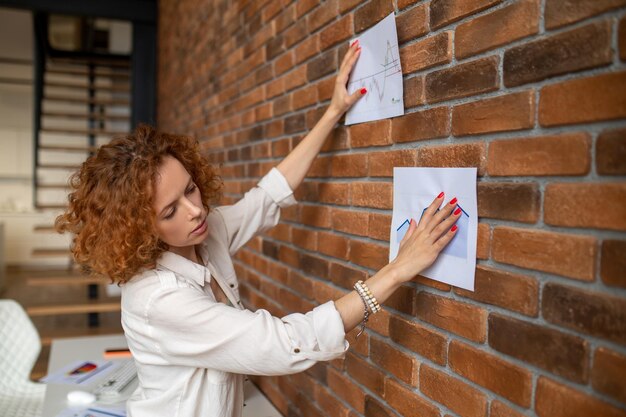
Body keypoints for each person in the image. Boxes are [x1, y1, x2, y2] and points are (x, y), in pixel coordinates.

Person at [55, 40, 461, 417]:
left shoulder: (203, 232)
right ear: (138, 227)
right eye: (170, 211)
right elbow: (284, 345)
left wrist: (334, 111)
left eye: (191, 189)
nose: (195, 210)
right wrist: (397, 269)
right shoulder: (158, 300)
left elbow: (267, 197)